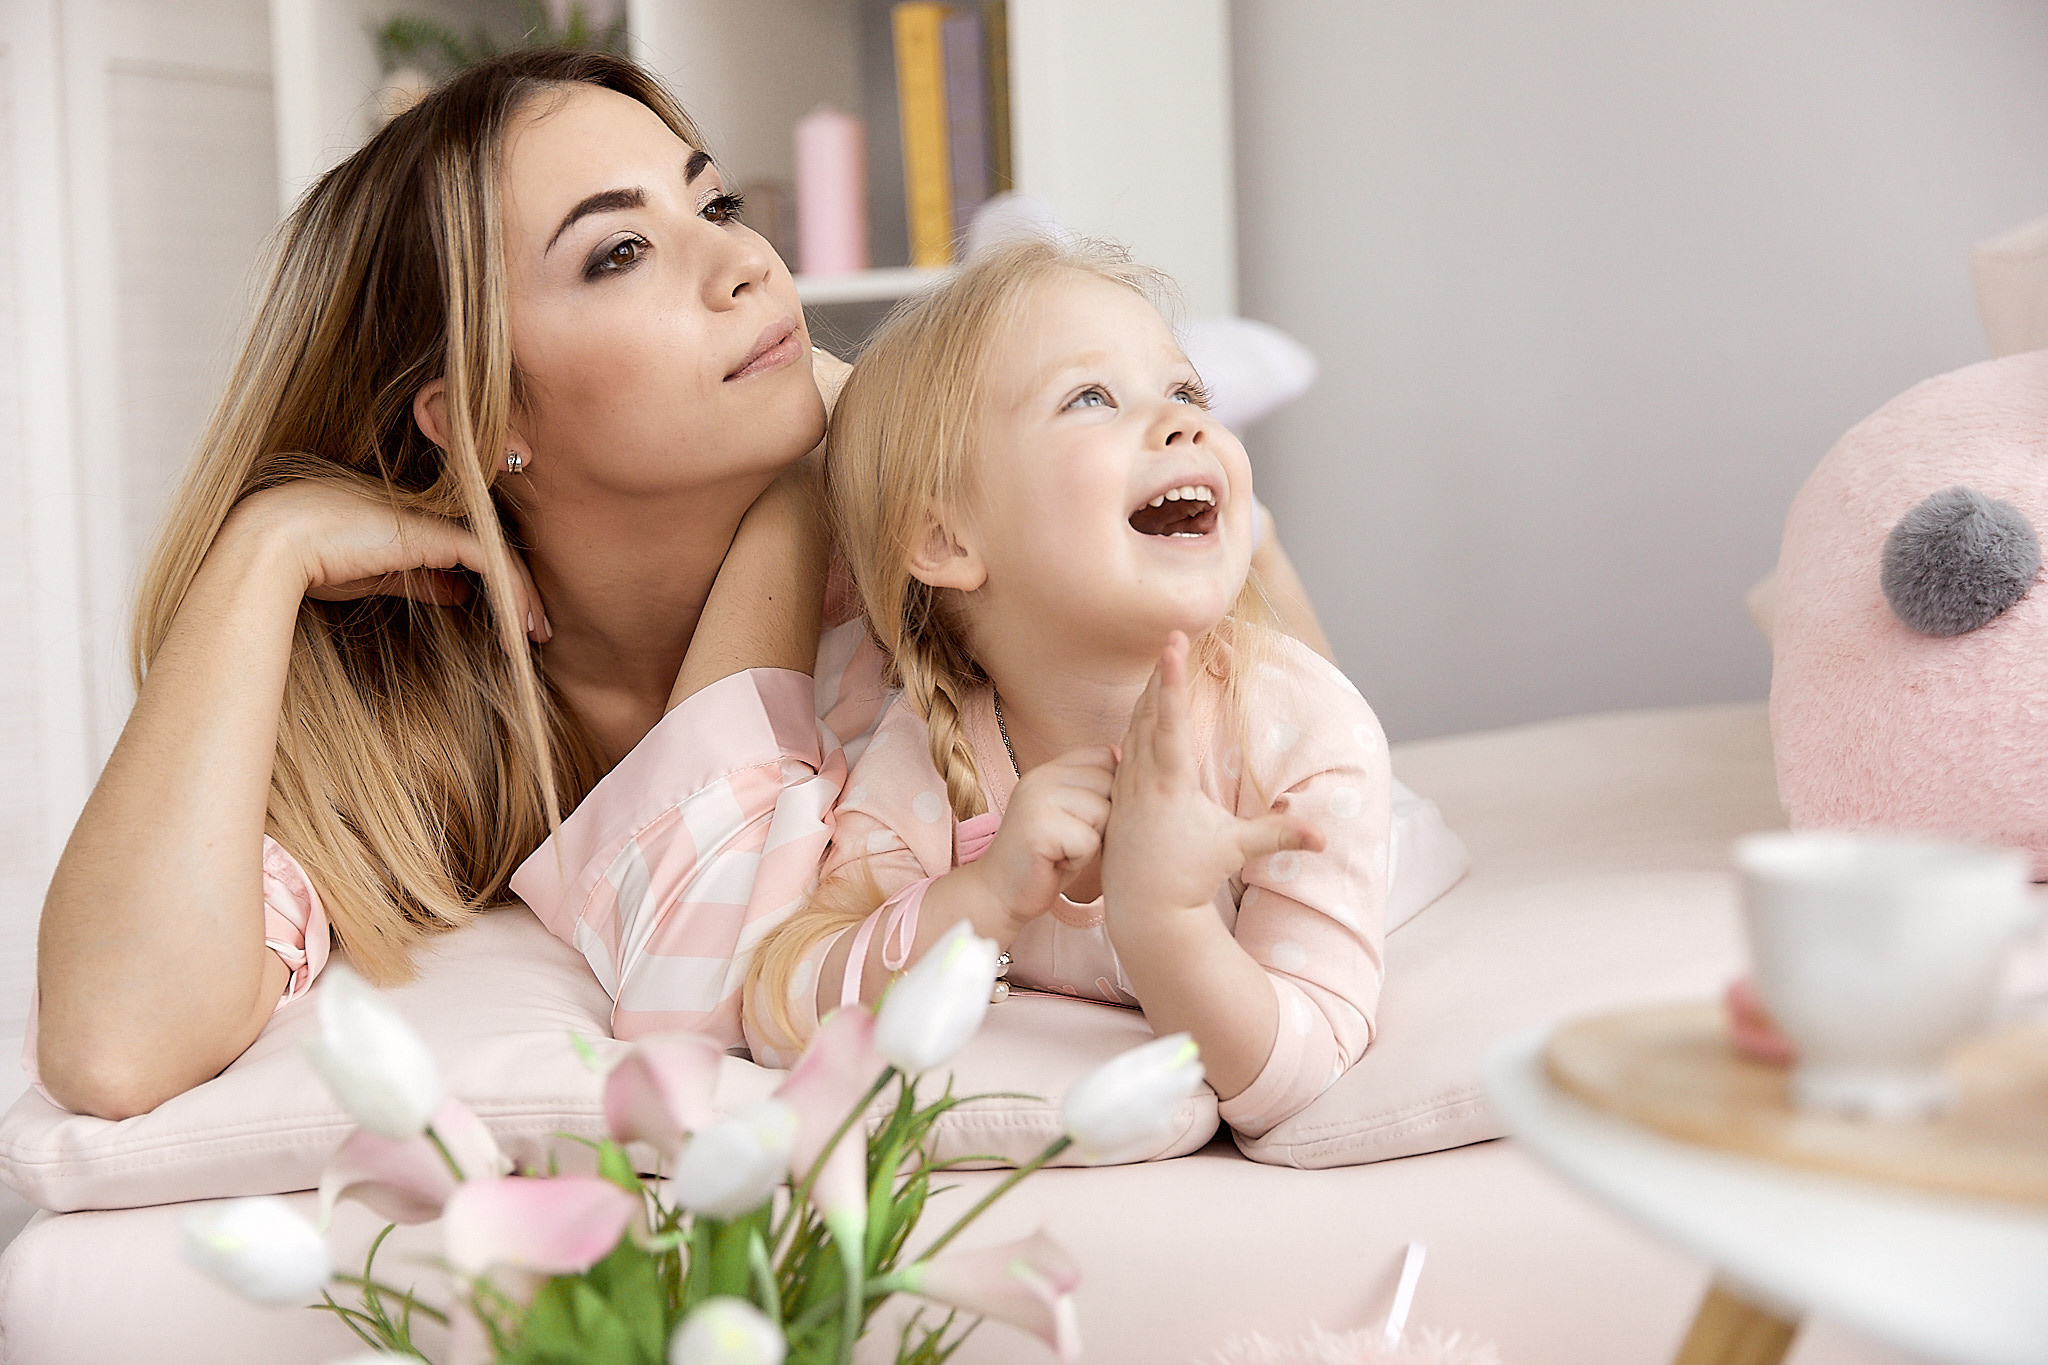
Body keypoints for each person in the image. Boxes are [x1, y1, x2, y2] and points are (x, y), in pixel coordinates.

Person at [34, 50, 1338, 1119]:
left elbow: (1306, 747)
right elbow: (110, 1047)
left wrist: (817, 468)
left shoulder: (922, 550)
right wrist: (261, 553)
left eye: (713, 206)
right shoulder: (412, 712)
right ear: (481, 416)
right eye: (616, 253)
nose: (746, 265)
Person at [745, 240, 1390, 1135]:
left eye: (1187, 392)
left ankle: (1262, 549)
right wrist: (981, 899)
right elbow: (783, 1011)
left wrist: (1165, 920)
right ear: (946, 539)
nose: (1184, 423)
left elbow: (1302, 1070)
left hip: (1379, 817)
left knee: (1378, 770)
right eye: (1092, 397)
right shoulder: (933, 755)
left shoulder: (1308, 736)